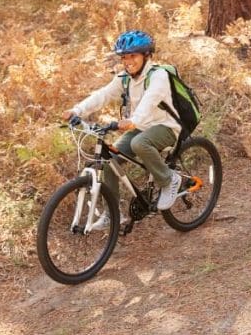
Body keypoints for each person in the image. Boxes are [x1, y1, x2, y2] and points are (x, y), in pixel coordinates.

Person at [63, 30, 183, 214]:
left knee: (139, 143)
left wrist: (132, 121)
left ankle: (169, 179)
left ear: (146, 55)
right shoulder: (124, 78)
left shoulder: (158, 75)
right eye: (124, 57)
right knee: (110, 161)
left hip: (166, 127)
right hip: (141, 127)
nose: (128, 61)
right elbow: (102, 95)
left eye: (133, 56)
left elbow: (149, 101)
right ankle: (111, 215)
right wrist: (77, 110)